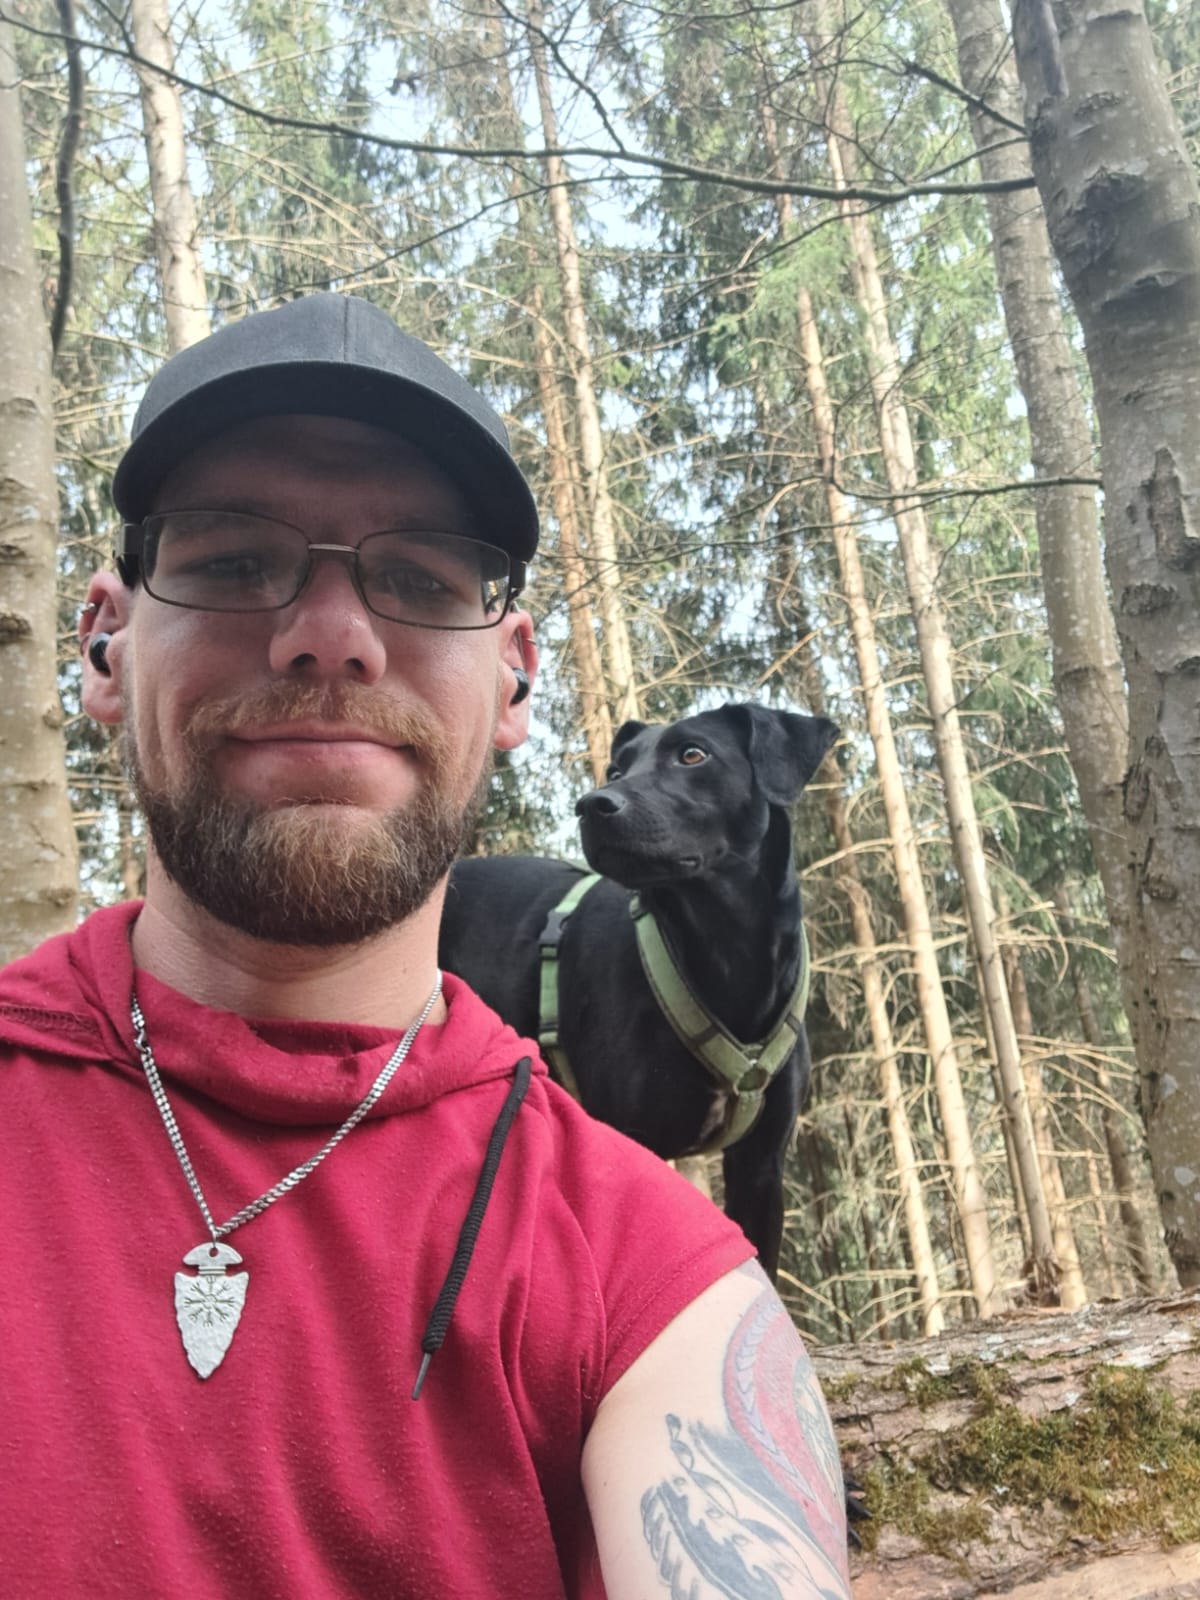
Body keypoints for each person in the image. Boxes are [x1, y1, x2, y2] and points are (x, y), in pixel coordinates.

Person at [0, 293, 850, 1599]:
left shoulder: (655, 1289)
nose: (329, 636)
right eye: (232, 560)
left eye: (416, 578)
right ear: (104, 641)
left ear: (512, 675)